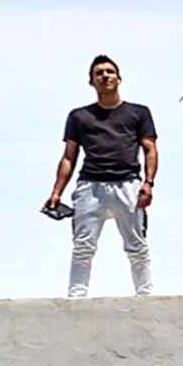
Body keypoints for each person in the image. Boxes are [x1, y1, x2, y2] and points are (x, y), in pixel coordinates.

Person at [44, 54, 158, 296]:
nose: (105, 76)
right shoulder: (79, 116)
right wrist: (56, 192)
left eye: (109, 71)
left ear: (118, 78)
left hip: (128, 185)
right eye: (99, 73)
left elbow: (150, 148)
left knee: (137, 247)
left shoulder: (139, 113)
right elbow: (68, 156)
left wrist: (148, 183)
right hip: (90, 186)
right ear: (91, 82)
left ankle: (146, 297)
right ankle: (77, 298)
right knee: (82, 247)